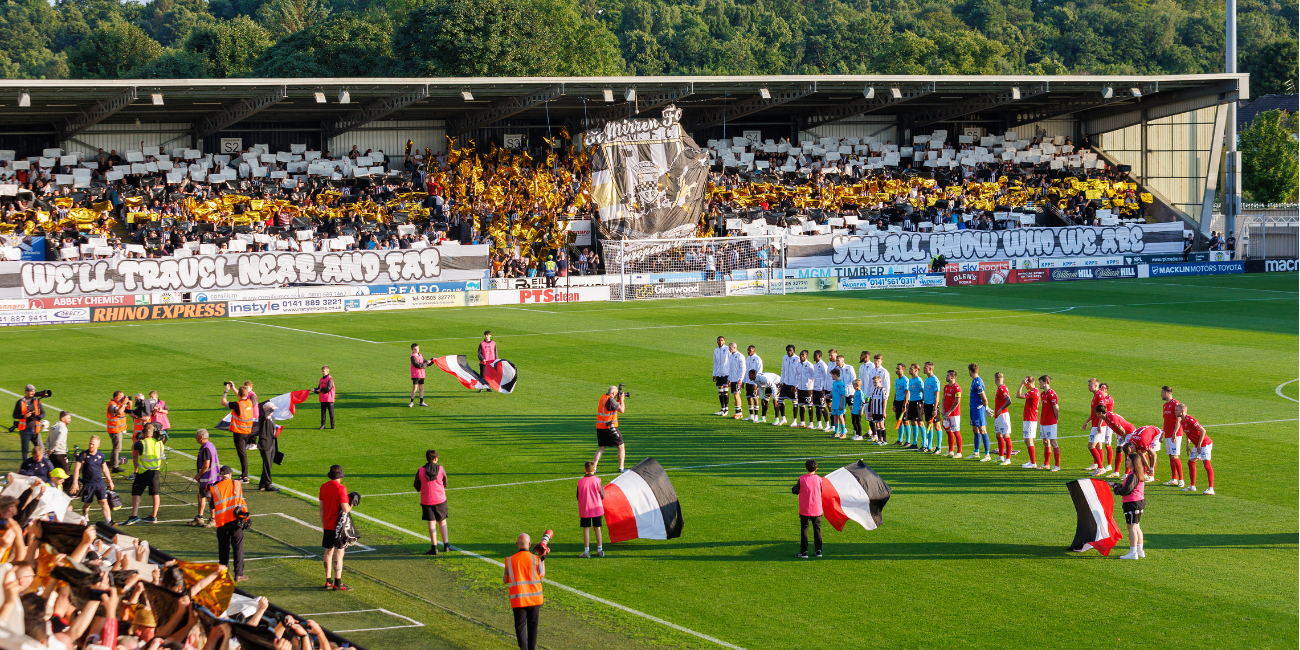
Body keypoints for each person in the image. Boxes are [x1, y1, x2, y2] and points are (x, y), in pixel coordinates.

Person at [504, 533, 545, 650]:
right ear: (530, 544)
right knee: (533, 626)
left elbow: (505, 580)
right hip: (535, 599)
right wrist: (543, 558)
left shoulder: (510, 560)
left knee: (520, 626)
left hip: (518, 599)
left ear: (517, 544)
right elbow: (541, 575)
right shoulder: (535, 559)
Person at [209, 465, 248, 581]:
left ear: (221, 476)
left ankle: (223, 574)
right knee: (238, 548)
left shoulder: (215, 488)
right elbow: (241, 502)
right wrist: (246, 518)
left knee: (223, 549)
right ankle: (239, 574)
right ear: (230, 474)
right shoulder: (237, 484)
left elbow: (212, 505)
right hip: (235, 522)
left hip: (221, 523)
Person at [1111, 442, 1147, 559]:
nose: (1126, 462)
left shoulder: (1133, 475)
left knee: (1131, 527)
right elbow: (1128, 486)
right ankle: (1139, 550)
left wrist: (1116, 489)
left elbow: (1127, 490)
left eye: (1128, 460)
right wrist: (1116, 484)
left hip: (1132, 503)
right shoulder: (1136, 474)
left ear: (1133, 462)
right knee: (1136, 526)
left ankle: (1133, 553)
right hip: (1138, 502)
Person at [70, 435, 116, 525]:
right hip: (88, 484)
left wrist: (110, 480)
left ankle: (109, 521)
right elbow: (77, 469)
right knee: (87, 504)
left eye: (93, 444)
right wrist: (75, 483)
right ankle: (86, 517)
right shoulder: (83, 455)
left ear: (98, 445)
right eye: (90, 443)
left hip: (99, 483)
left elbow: (105, 469)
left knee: (104, 501)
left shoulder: (101, 455)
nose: (91, 446)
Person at [123, 424, 163, 525]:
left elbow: (133, 447)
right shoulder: (159, 443)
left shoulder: (141, 443)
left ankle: (134, 515)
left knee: (136, 493)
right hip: (155, 471)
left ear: (144, 432)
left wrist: (139, 438)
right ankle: (153, 516)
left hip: (143, 472)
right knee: (155, 494)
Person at [321, 464, 352, 590]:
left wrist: (324, 524)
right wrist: (353, 503)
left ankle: (328, 580)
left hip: (328, 524)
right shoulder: (341, 488)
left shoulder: (323, 487)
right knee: (339, 553)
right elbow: (345, 509)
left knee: (328, 552)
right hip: (339, 526)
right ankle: (338, 583)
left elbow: (321, 509)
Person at [221, 383, 257, 484]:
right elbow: (242, 398)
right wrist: (233, 388)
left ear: (239, 395)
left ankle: (244, 476)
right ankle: (244, 475)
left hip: (239, 433)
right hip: (248, 432)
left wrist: (226, 391)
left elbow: (223, 402)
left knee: (242, 455)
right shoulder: (249, 402)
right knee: (243, 454)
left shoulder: (237, 404)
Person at [416, 449, 450, 555]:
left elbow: (417, 486)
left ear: (426, 458)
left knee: (431, 523)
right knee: (442, 521)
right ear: (436, 459)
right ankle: (446, 545)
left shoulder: (421, 470)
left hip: (427, 500)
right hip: (440, 499)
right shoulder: (441, 469)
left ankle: (434, 547)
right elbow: (445, 482)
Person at [1177, 404, 1214, 494]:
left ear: (1182, 411)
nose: (1175, 412)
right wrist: (1187, 445)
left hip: (1205, 444)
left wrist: (1200, 445)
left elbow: (1203, 431)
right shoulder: (1182, 421)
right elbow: (1188, 433)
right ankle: (1192, 486)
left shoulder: (1191, 420)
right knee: (1191, 462)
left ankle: (1211, 489)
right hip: (1198, 444)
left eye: (1176, 410)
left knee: (1206, 464)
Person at [791, 459, 823, 558]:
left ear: (806, 468)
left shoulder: (802, 479)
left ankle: (804, 552)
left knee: (805, 529)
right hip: (817, 508)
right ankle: (819, 551)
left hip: (805, 509)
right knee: (817, 529)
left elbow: (795, 490)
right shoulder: (819, 479)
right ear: (816, 469)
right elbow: (821, 490)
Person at [190, 429, 220, 528]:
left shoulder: (206, 448)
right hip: (211, 477)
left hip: (208, 479)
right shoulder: (210, 445)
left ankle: (213, 519)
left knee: (209, 498)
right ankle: (200, 517)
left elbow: (206, 465)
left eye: (196, 436)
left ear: (201, 437)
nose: (195, 438)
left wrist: (198, 475)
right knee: (201, 496)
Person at [593, 386, 626, 473]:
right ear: (613, 393)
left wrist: (617, 400)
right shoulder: (611, 400)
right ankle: (621, 467)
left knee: (601, 448)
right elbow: (621, 410)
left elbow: (610, 405)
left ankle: (593, 467)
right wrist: (622, 400)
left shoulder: (603, 398)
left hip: (600, 427)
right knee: (621, 446)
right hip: (610, 427)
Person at [577, 461, 604, 558]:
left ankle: (586, 551)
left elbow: (578, 495)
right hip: (596, 508)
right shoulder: (598, 480)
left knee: (586, 529)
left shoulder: (580, 482)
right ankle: (600, 549)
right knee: (597, 528)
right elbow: (603, 494)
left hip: (585, 509)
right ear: (594, 470)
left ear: (585, 470)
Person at [10, 384, 45, 461]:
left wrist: (37, 417)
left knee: (41, 449)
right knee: (25, 450)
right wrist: (24, 416)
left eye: (33, 390)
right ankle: (25, 467)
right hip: (25, 430)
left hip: (35, 430)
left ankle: (41, 465)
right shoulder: (20, 402)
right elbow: (14, 415)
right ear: (26, 392)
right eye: (31, 391)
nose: (33, 392)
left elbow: (43, 413)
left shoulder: (37, 401)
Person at [1160, 386, 1185, 487]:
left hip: (1176, 434)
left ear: (1167, 393)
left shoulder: (1175, 404)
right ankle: (1174, 478)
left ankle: (1181, 480)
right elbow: (1165, 420)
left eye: (1162, 392)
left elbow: (1179, 420)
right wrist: (1162, 432)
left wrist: (1175, 433)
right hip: (1168, 434)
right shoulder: (1165, 405)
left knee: (1175, 456)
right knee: (1170, 456)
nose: (1160, 394)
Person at [966, 364, 991, 461]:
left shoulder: (978, 383)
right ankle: (976, 452)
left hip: (978, 409)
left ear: (970, 371)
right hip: (973, 408)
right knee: (975, 429)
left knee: (982, 430)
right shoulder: (974, 381)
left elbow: (984, 398)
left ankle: (987, 454)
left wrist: (987, 408)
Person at [1016, 376, 1041, 469]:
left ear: (1029, 383)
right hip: (1029, 418)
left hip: (1031, 419)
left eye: (1026, 384)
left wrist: (1021, 384)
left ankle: (1033, 462)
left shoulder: (1033, 392)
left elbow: (1018, 395)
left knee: (1029, 440)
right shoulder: (1034, 391)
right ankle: (1031, 461)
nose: (1025, 385)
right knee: (1027, 440)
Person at [1038, 375, 1061, 471]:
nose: (1039, 384)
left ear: (1045, 382)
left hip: (1051, 422)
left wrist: (1056, 419)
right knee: (1045, 442)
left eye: (1040, 382)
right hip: (1043, 421)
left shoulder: (1052, 394)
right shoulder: (1043, 394)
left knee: (1053, 442)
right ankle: (1046, 464)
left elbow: (1056, 408)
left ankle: (1057, 465)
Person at [255, 400, 279, 492]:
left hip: (272, 442)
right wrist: (269, 410)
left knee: (268, 464)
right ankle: (268, 485)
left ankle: (262, 484)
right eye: (272, 410)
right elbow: (264, 415)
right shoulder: (262, 417)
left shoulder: (272, 418)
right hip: (265, 444)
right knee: (267, 464)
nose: (273, 411)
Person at [991, 372, 1014, 464]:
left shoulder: (1002, 388)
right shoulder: (1000, 388)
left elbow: (1009, 401)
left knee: (1006, 436)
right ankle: (1001, 456)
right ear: (1003, 379)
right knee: (998, 436)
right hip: (998, 416)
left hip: (1003, 416)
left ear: (995, 380)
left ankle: (1008, 459)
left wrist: (1001, 409)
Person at [106, 391, 130, 474]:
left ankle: (112, 464)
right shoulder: (112, 405)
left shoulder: (118, 403)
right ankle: (115, 467)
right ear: (116, 398)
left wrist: (128, 404)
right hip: (115, 430)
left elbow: (125, 410)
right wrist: (124, 403)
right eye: (121, 397)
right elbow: (119, 412)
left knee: (116, 448)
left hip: (118, 429)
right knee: (117, 448)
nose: (123, 398)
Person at [941, 370, 963, 458]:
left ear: (953, 377)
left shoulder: (957, 388)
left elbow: (957, 401)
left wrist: (949, 411)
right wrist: (943, 409)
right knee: (948, 432)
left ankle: (959, 452)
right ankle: (950, 451)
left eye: (948, 376)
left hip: (954, 414)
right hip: (946, 414)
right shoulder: (946, 387)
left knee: (956, 432)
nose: (946, 377)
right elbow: (943, 399)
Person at [776, 344, 798, 425]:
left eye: (790, 350)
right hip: (785, 383)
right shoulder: (785, 358)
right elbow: (783, 370)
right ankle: (783, 418)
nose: (789, 352)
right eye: (788, 350)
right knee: (780, 400)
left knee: (794, 402)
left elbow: (798, 373)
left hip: (793, 384)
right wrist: (781, 382)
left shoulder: (797, 359)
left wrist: (795, 385)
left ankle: (795, 420)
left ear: (794, 351)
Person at [921, 362, 941, 454]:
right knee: (929, 425)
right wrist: (923, 406)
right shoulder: (926, 379)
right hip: (927, 405)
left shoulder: (934, 380)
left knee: (937, 426)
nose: (923, 369)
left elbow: (937, 396)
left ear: (930, 369)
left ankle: (939, 447)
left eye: (925, 368)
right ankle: (929, 446)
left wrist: (935, 408)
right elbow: (925, 394)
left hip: (933, 405)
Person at [793, 350, 814, 429]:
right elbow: (797, 375)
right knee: (801, 404)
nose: (801, 356)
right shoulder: (797, 364)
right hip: (800, 388)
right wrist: (795, 385)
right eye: (800, 354)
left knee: (809, 405)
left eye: (803, 355)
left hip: (808, 388)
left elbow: (813, 376)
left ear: (806, 356)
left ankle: (811, 423)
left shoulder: (809, 365)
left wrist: (811, 385)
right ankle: (802, 422)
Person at [47, 411, 71, 479]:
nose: (70, 420)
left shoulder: (53, 427)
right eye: (68, 418)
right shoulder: (63, 428)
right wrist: (51, 450)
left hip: (52, 455)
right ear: (63, 419)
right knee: (66, 476)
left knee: (54, 476)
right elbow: (58, 442)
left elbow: (47, 440)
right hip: (60, 454)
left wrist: (50, 450)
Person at [726, 342, 746, 419]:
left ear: (734, 347)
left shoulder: (740, 356)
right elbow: (730, 369)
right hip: (733, 379)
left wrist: (741, 379)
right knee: (735, 396)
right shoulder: (730, 356)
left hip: (737, 380)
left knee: (736, 395)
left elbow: (743, 369)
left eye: (730, 347)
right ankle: (738, 412)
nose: (729, 349)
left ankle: (739, 413)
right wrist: (729, 379)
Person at [810, 350, 829, 431]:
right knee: (817, 406)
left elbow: (826, 376)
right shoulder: (815, 365)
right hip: (815, 388)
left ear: (820, 356)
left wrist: (824, 387)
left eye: (815, 356)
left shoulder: (823, 365)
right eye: (814, 355)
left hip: (821, 389)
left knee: (822, 407)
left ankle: (827, 424)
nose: (814, 357)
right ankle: (819, 424)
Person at [744, 345, 763, 422]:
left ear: (754, 350)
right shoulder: (748, 358)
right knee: (749, 397)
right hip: (748, 381)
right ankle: (751, 415)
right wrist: (744, 381)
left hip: (754, 382)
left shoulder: (758, 359)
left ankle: (756, 415)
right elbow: (746, 371)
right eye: (748, 350)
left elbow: (759, 371)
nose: (748, 351)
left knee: (755, 398)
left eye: (750, 350)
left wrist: (756, 384)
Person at [712, 336, 731, 416]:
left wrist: (731, 373)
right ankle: (722, 409)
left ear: (724, 341)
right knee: (720, 392)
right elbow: (715, 363)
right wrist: (714, 374)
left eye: (722, 340)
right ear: (717, 341)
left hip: (726, 373)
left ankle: (726, 409)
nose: (720, 342)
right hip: (719, 374)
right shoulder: (715, 350)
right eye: (719, 340)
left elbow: (731, 360)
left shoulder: (727, 349)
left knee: (725, 392)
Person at [867, 374, 888, 444]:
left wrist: (884, 411)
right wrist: (871, 410)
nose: (874, 384)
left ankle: (884, 440)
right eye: (873, 382)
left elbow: (885, 400)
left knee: (882, 425)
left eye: (875, 382)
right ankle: (879, 439)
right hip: (875, 411)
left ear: (880, 381)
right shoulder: (874, 389)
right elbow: (872, 400)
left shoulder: (883, 390)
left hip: (880, 411)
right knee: (877, 425)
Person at [410, 343, 432, 407]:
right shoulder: (413, 357)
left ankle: (421, 402)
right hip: (416, 375)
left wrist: (432, 360)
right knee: (415, 388)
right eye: (415, 349)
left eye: (417, 348)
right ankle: (411, 402)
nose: (416, 350)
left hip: (421, 375)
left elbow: (426, 363)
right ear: (412, 350)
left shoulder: (420, 355)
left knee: (421, 388)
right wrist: (426, 363)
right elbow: (418, 365)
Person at [892, 363, 908, 444]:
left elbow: (907, 393)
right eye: (896, 368)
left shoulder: (905, 380)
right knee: (899, 420)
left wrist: (905, 405)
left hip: (903, 402)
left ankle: (908, 441)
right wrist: (894, 404)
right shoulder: (897, 380)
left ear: (903, 370)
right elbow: (896, 392)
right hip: (898, 401)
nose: (896, 370)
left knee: (906, 421)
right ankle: (900, 440)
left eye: (898, 369)